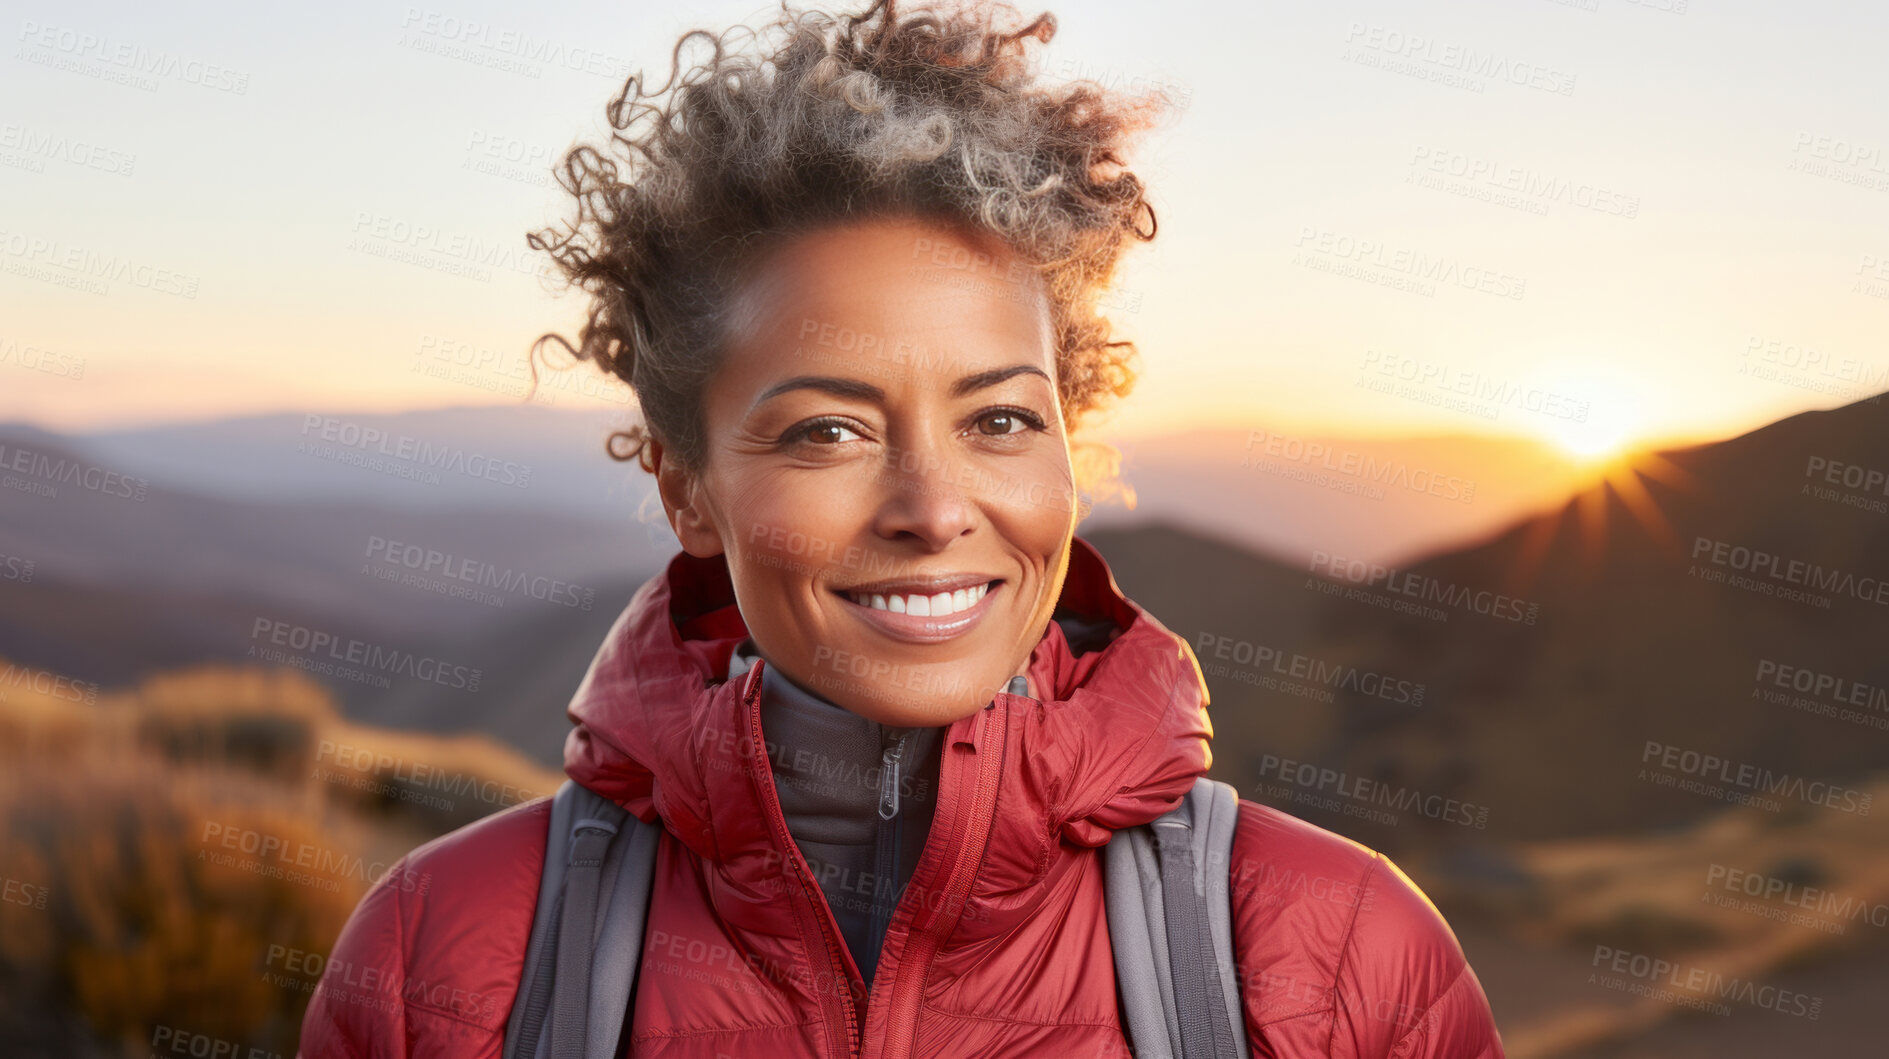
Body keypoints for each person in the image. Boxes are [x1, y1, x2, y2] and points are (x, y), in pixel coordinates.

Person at [298, 1, 1505, 1055]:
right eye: (827, 433)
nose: (932, 510)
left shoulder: (1340, 958)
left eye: (997, 420)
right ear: (687, 489)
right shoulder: (438, 970)